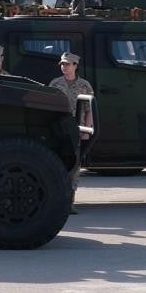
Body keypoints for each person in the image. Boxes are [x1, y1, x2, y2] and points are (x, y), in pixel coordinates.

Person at [49, 52, 94, 214]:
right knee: (57, 163)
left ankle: (70, 201)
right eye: (62, 64)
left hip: (77, 129)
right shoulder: (55, 84)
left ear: (75, 65)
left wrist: (86, 131)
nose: (64, 67)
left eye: (67, 64)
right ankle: (57, 200)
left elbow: (89, 111)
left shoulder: (84, 85)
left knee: (74, 166)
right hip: (58, 130)